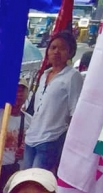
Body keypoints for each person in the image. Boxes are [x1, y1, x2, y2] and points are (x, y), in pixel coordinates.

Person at [22, 32, 83, 174]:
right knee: (25, 177)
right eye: (53, 47)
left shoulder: (73, 76)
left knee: (37, 179)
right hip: (31, 137)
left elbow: (75, 112)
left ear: (70, 52)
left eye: (62, 48)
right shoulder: (43, 75)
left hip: (51, 138)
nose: (56, 51)